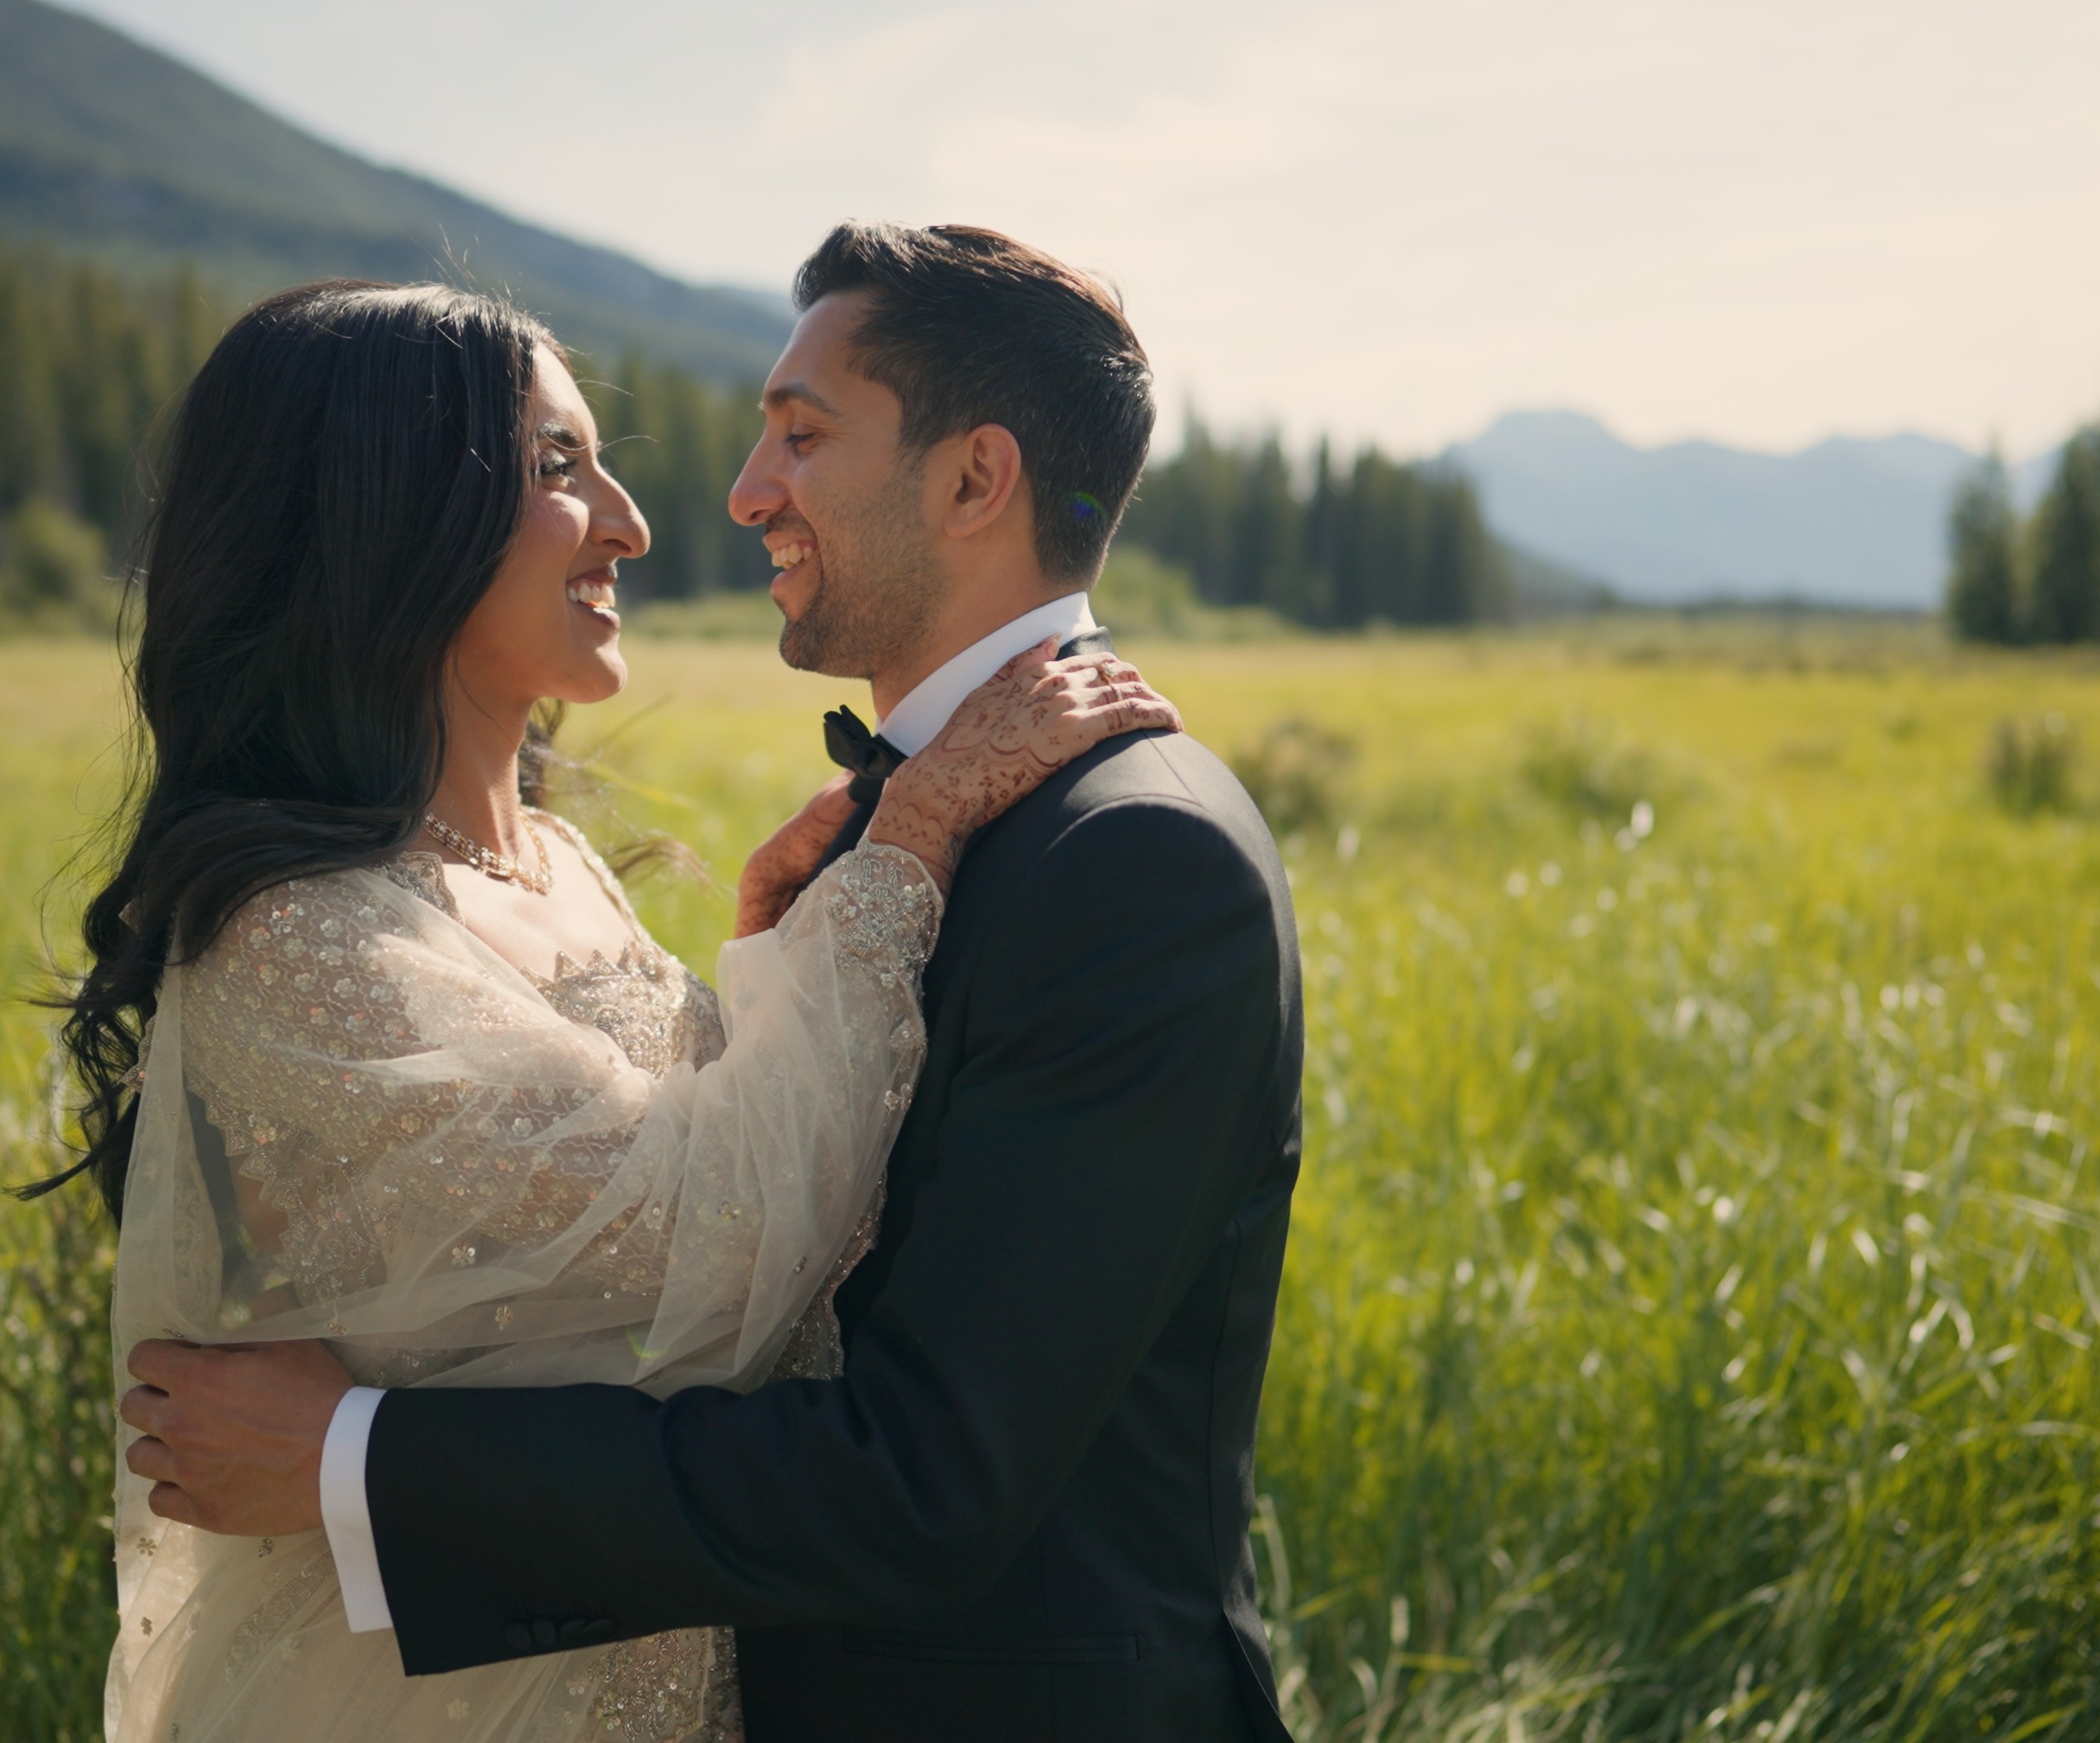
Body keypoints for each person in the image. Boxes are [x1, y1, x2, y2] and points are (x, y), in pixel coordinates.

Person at [126, 225, 1306, 1741]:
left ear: (971, 481)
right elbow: (684, 1231)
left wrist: (354, 1460)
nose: (734, 495)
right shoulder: (895, 840)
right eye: (567, 467)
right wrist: (816, 931)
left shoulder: (1131, 857)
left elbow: (916, 1479)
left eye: (801, 437)